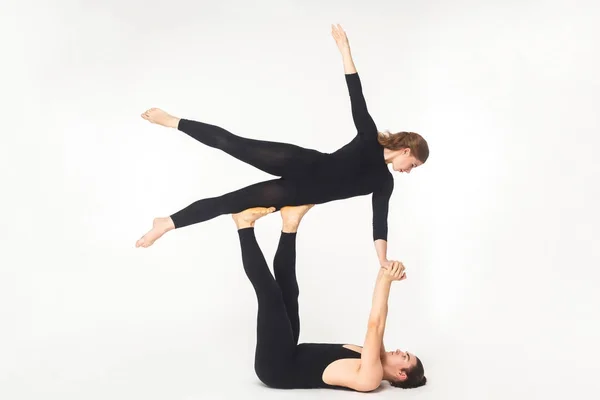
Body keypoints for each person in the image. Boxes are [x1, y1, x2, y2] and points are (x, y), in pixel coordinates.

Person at [136, 24, 429, 270]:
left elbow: (380, 222)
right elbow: (356, 94)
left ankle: (167, 223)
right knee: (231, 143)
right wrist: (345, 51)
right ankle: (172, 121)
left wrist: (383, 260)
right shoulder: (368, 136)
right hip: (297, 162)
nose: (410, 171)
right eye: (413, 164)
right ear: (406, 150)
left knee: (228, 203)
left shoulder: (383, 182)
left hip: (296, 193)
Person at [229, 204, 426, 391]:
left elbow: (375, 325)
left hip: (276, 367)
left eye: (405, 357)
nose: (401, 351)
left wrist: (387, 281)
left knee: (270, 296)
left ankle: (243, 225)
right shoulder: (374, 356)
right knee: (288, 292)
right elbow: (379, 317)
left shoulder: (370, 377)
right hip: (289, 349)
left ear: (401, 374)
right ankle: (290, 223)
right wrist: (384, 273)